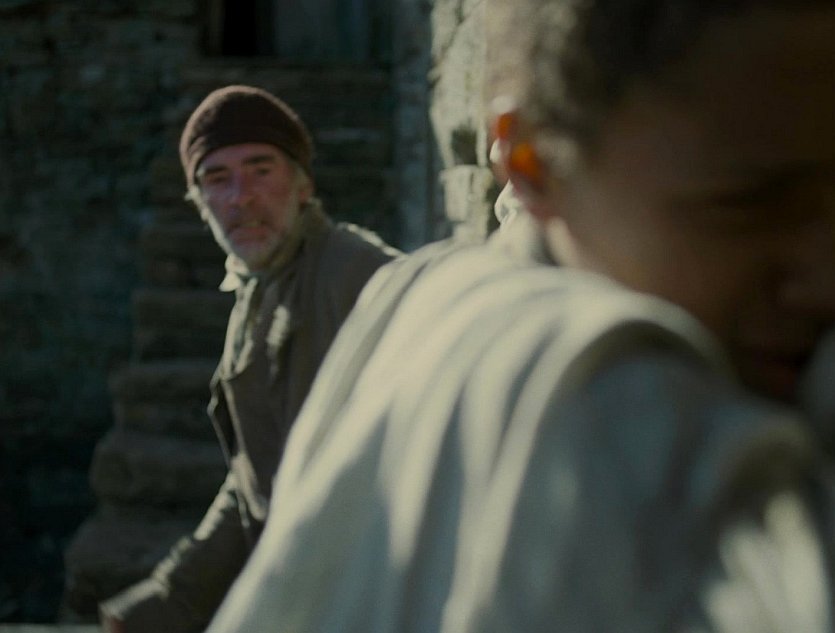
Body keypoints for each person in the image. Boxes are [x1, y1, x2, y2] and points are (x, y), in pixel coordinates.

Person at [207, 1, 835, 631]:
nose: (823, 281)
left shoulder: (410, 292)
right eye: (744, 207)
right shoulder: (618, 404)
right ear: (529, 162)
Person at [98, 84, 400, 632]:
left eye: (261, 170)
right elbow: (254, 481)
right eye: (218, 179)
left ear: (304, 185)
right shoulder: (258, 286)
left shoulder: (358, 277)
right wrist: (169, 600)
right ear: (199, 203)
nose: (241, 197)